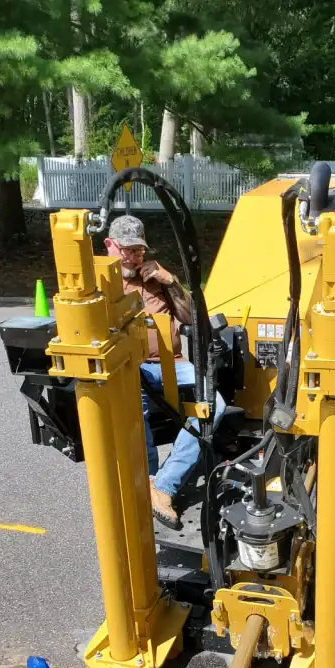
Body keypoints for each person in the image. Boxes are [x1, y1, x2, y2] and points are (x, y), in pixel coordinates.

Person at [105, 215, 226, 529]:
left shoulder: (157, 277)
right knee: (135, 406)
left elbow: (191, 318)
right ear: (110, 246)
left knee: (216, 404)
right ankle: (149, 482)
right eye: (128, 250)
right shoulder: (104, 282)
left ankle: (163, 485)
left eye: (139, 251)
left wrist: (171, 281)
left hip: (174, 363)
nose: (135, 257)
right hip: (131, 366)